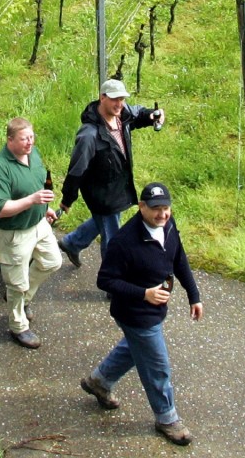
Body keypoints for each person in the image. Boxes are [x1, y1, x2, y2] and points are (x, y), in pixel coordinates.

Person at [79, 182, 203, 446]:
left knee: (135, 349)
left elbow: (178, 257)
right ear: (141, 207)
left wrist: (194, 295)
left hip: (155, 310)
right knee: (158, 367)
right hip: (135, 313)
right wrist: (144, 294)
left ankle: (99, 381)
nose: (162, 214)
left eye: (166, 208)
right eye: (156, 209)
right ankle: (167, 419)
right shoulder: (124, 241)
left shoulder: (167, 225)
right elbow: (105, 280)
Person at [57, 78, 164, 269]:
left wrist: (152, 116)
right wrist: (67, 199)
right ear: (102, 97)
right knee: (112, 238)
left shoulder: (122, 114)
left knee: (106, 221)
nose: (119, 104)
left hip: (119, 184)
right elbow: (76, 170)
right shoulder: (89, 135)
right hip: (101, 192)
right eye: (115, 99)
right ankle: (112, 280)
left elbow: (137, 114)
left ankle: (71, 243)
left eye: (122, 99)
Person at [0, 117, 62, 349]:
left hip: (38, 224)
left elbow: (35, 184)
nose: (30, 143)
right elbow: (1, 209)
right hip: (13, 233)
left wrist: (44, 208)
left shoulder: (33, 153)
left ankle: (21, 298)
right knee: (16, 284)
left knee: (52, 262)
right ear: (10, 141)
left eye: (31, 137)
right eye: (24, 139)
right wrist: (33, 200)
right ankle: (18, 326)